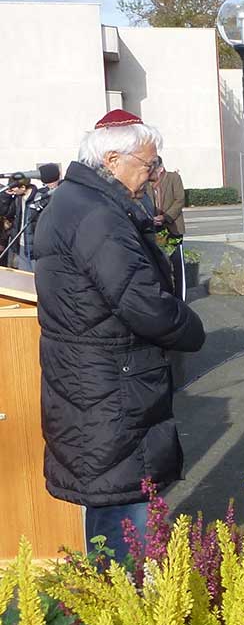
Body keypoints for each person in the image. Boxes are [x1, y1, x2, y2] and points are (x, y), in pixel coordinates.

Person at [32, 109, 206, 563]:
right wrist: (191, 328)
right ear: (112, 160)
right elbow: (144, 304)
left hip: (91, 378)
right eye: (149, 164)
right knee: (125, 504)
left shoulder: (75, 202)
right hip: (112, 384)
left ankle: (113, 606)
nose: (154, 175)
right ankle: (129, 618)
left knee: (110, 497)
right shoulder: (96, 216)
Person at [150, 162, 187, 298]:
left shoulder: (173, 178)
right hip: (154, 228)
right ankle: (165, 296)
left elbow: (180, 200)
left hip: (173, 227)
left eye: (152, 168)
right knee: (159, 265)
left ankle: (181, 298)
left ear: (159, 168)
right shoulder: (147, 182)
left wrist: (166, 217)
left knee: (177, 264)